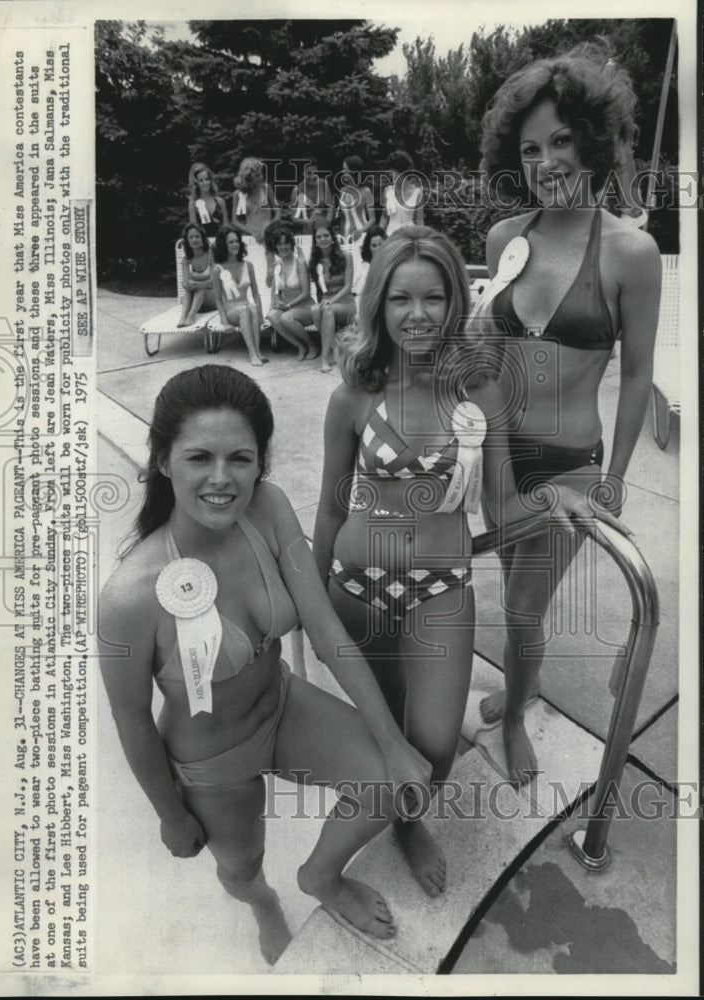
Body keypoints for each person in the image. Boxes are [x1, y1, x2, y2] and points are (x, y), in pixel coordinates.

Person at [312, 226, 616, 897]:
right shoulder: (354, 396)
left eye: (432, 297)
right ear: (378, 306)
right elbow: (331, 510)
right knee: (387, 735)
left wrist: (561, 494)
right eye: (399, 299)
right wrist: (307, 602)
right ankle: (404, 825)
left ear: (456, 303)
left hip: (441, 590)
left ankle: (412, 813)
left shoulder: (479, 394)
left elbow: (503, 510)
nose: (416, 314)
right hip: (355, 588)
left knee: (437, 743)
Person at [99, 365, 432, 965]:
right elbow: (132, 720)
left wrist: (393, 740)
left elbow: (328, 633)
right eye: (199, 458)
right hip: (212, 761)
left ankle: (321, 878)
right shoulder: (128, 596)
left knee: (388, 781)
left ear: (261, 463)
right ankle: (265, 906)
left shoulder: (271, 509)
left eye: (242, 459)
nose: (222, 480)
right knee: (242, 867)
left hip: (282, 705)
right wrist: (170, 815)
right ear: (164, 461)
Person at [477, 49, 661, 784]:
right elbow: (485, 355)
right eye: (528, 149)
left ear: (591, 137)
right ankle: (518, 688)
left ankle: (519, 714)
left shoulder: (629, 252)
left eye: (560, 140)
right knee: (508, 593)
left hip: (571, 467)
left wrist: (614, 481)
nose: (546, 160)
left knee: (523, 607)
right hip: (499, 459)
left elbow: (640, 372)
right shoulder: (504, 241)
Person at [211, 226, 266, 367]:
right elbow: (218, 298)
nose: (235, 244)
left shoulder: (248, 265)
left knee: (252, 307)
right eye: (230, 242)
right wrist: (224, 320)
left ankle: (258, 351)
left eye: (237, 241)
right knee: (245, 309)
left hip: (247, 307)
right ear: (223, 244)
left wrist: (260, 315)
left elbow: (255, 293)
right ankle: (253, 354)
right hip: (231, 311)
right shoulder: (218, 269)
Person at [265, 223, 318, 360]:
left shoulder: (299, 263)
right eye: (280, 244)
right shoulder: (277, 264)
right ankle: (299, 346)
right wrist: (270, 273)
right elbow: (270, 286)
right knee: (271, 316)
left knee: (285, 318)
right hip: (286, 307)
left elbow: (306, 293)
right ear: (276, 246)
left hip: (305, 306)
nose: (283, 247)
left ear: (291, 244)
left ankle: (312, 345)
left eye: (286, 243)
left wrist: (288, 306)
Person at [309, 221, 356, 372]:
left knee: (327, 310)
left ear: (332, 237)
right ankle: (334, 348)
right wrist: (321, 303)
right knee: (315, 310)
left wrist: (331, 301)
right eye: (319, 237)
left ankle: (324, 358)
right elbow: (319, 291)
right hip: (328, 302)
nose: (323, 239)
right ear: (315, 241)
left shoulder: (346, 256)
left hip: (345, 302)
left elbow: (348, 286)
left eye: (326, 235)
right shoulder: (314, 262)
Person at [231, 157, 279, 244]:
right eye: (257, 175)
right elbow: (235, 220)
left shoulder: (266, 188)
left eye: (261, 174)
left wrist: (268, 229)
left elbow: (278, 213)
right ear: (248, 177)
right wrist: (252, 233)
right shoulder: (238, 194)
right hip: (249, 237)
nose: (261, 177)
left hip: (268, 235)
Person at [177, 222, 216, 328]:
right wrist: (187, 285)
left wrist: (198, 285)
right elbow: (185, 283)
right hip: (196, 303)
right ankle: (183, 315)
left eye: (197, 236)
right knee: (189, 288)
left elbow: (214, 283)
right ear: (188, 241)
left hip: (213, 300)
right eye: (191, 237)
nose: (194, 239)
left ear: (202, 239)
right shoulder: (186, 260)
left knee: (200, 288)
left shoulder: (210, 256)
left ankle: (191, 316)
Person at [380, 151, 424, 234]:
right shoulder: (388, 191)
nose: (390, 175)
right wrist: (377, 234)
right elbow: (384, 217)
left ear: (403, 172)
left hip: (409, 235)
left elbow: (420, 222)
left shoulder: (417, 193)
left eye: (393, 172)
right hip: (390, 235)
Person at [335, 155, 375, 242]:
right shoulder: (342, 191)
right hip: (345, 236)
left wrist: (361, 231)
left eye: (345, 169)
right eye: (343, 169)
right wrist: (340, 236)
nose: (342, 172)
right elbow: (342, 219)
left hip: (361, 234)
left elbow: (372, 219)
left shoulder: (366, 191)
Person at [290, 157, 334, 234]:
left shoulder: (324, 184)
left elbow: (330, 206)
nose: (312, 176)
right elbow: (293, 217)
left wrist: (327, 222)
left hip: (325, 228)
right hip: (308, 229)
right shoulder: (296, 190)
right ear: (303, 173)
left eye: (315, 173)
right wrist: (308, 222)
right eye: (309, 173)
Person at [188, 162, 228, 243]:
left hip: (220, 243)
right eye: (201, 180)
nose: (205, 183)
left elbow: (225, 225)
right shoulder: (193, 204)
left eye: (207, 179)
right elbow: (194, 229)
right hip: (202, 244)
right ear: (197, 183)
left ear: (210, 180)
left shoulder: (220, 201)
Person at [355, 225, 388, 296]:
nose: (378, 249)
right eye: (374, 246)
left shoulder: (392, 263)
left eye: (381, 245)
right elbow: (359, 291)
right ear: (369, 248)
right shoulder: (365, 268)